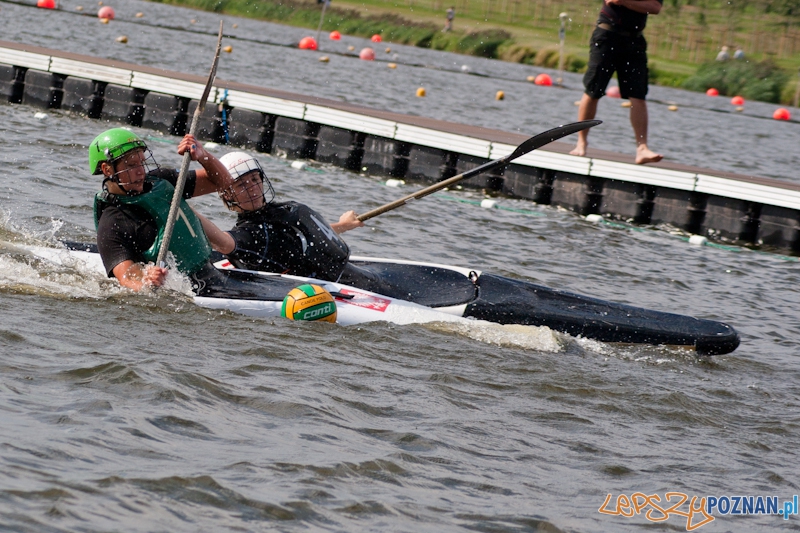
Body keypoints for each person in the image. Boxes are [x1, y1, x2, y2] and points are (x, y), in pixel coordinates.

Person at [90, 128, 234, 292]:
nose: (140, 171)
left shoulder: (162, 181)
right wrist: (146, 279)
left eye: (141, 163)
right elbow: (127, 277)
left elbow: (224, 182)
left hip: (212, 274)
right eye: (131, 165)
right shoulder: (112, 223)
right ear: (107, 170)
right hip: (184, 292)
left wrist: (203, 156)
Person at [196, 152, 365, 283]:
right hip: (314, 285)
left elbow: (306, 236)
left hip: (343, 274)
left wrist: (344, 225)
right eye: (241, 185)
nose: (252, 188)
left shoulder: (283, 210)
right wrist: (182, 208)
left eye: (255, 179)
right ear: (227, 196)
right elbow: (223, 243)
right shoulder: (249, 234)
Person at [569, 0, 663, 165]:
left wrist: (627, 2)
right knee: (593, 91)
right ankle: (581, 142)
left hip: (635, 42)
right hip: (607, 36)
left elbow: (655, 7)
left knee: (638, 95)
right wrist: (638, 4)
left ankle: (642, 149)